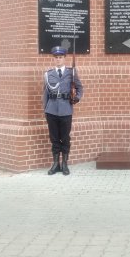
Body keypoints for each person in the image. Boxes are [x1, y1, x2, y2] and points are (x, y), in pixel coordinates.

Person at [43, 46, 83, 175]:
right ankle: (56, 164)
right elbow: (45, 93)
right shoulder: (48, 74)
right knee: (54, 138)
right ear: (53, 59)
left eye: (60, 57)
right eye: (56, 57)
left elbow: (79, 87)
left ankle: (65, 164)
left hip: (66, 110)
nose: (58, 60)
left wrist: (76, 98)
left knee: (65, 138)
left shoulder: (71, 73)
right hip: (52, 110)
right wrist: (46, 109)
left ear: (64, 58)